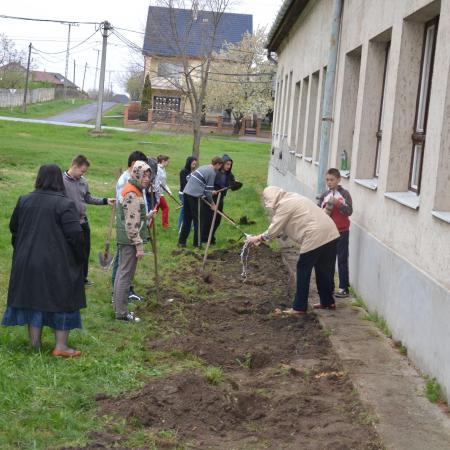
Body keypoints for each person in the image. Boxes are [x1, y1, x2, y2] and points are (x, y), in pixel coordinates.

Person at [2, 165, 85, 357]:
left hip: (27, 260)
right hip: (56, 263)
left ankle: (35, 343)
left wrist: (23, 250)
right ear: (59, 181)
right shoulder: (65, 205)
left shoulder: (24, 200)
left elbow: (14, 228)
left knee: (33, 298)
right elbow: (75, 235)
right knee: (64, 299)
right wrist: (79, 257)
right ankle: (61, 347)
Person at [247, 186, 339, 314]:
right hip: (331, 233)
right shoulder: (294, 197)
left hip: (314, 235)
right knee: (324, 270)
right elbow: (285, 228)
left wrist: (257, 238)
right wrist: (266, 238)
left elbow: (273, 230)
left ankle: (299, 307)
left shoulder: (284, 205)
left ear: (271, 200)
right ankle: (328, 302)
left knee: (303, 270)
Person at [63, 154, 115, 286]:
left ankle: (82, 278)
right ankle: (67, 277)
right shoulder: (61, 181)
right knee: (69, 252)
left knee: (84, 251)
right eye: (82, 171)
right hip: (69, 224)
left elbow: (88, 198)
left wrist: (105, 200)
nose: (82, 174)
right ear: (74, 166)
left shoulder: (83, 182)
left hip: (83, 222)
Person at [113, 161, 153, 322]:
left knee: (123, 274)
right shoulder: (132, 193)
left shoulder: (135, 190)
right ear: (136, 174)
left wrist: (147, 216)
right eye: (144, 175)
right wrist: (139, 245)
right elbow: (130, 224)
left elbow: (134, 215)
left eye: (149, 175)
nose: (147, 178)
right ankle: (121, 313)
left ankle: (118, 309)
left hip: (127, 238)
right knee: (125, 275)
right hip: (129, 240)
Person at [318, 168, 353, 298]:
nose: (329, 182)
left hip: (342, 232)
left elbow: (349, 211)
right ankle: (329, 287)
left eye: (332, 180)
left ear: (338, 180)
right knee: (328, 261)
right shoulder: (325, 195)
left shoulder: (345, 194)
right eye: (327, 180)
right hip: (328, 232)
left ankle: (344, 287)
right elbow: (318, 211)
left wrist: (338, 204)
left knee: (342, 260)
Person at [178, 156, 223, 248]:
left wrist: (201, 188)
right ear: (217, 164)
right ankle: (197, 244)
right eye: (220, 166)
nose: (219, 169)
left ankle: (181, 242)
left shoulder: (203, 167)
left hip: (186, 193)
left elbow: (188, 178)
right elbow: (208, 192)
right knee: (198, 220)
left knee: (187, 219)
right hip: (194, 196)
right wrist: (212, 204)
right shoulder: (212, 172)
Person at [207, 153, 236, 245]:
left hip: (220, 198)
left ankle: (211, 237)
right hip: (211, 197)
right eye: (227, 164)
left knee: (217, 219)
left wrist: (235, 184)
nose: (229, 166)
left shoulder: (229, 175)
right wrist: (212, 191)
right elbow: (208, 183)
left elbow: (233, 186)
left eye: (230, 164)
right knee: (209, 218)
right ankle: (206, 238)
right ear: (222, 164)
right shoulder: (215, 172)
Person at [178, 156, 198, 232]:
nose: (194, 166)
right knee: (184, 211)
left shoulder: (192, 172)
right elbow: (183, 184)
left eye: (195, 164)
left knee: (189, 211)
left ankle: (188, 227)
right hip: (183, 193)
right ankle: (180, 228)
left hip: (190, 193)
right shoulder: (183, 171)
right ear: (189, 163)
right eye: (193, 164)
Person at [154, 155, 172, 228]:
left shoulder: (163, 169)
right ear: (163, 161)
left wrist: (168, 191)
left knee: (156, 209)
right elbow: (158, 183)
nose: (168, 163)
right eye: (168, 161)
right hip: (157, 193)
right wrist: (158, 193)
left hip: (160, 193)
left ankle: (150, 224)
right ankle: (165, 225)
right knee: (165, 208)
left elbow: (164, 183)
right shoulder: (158, 169)